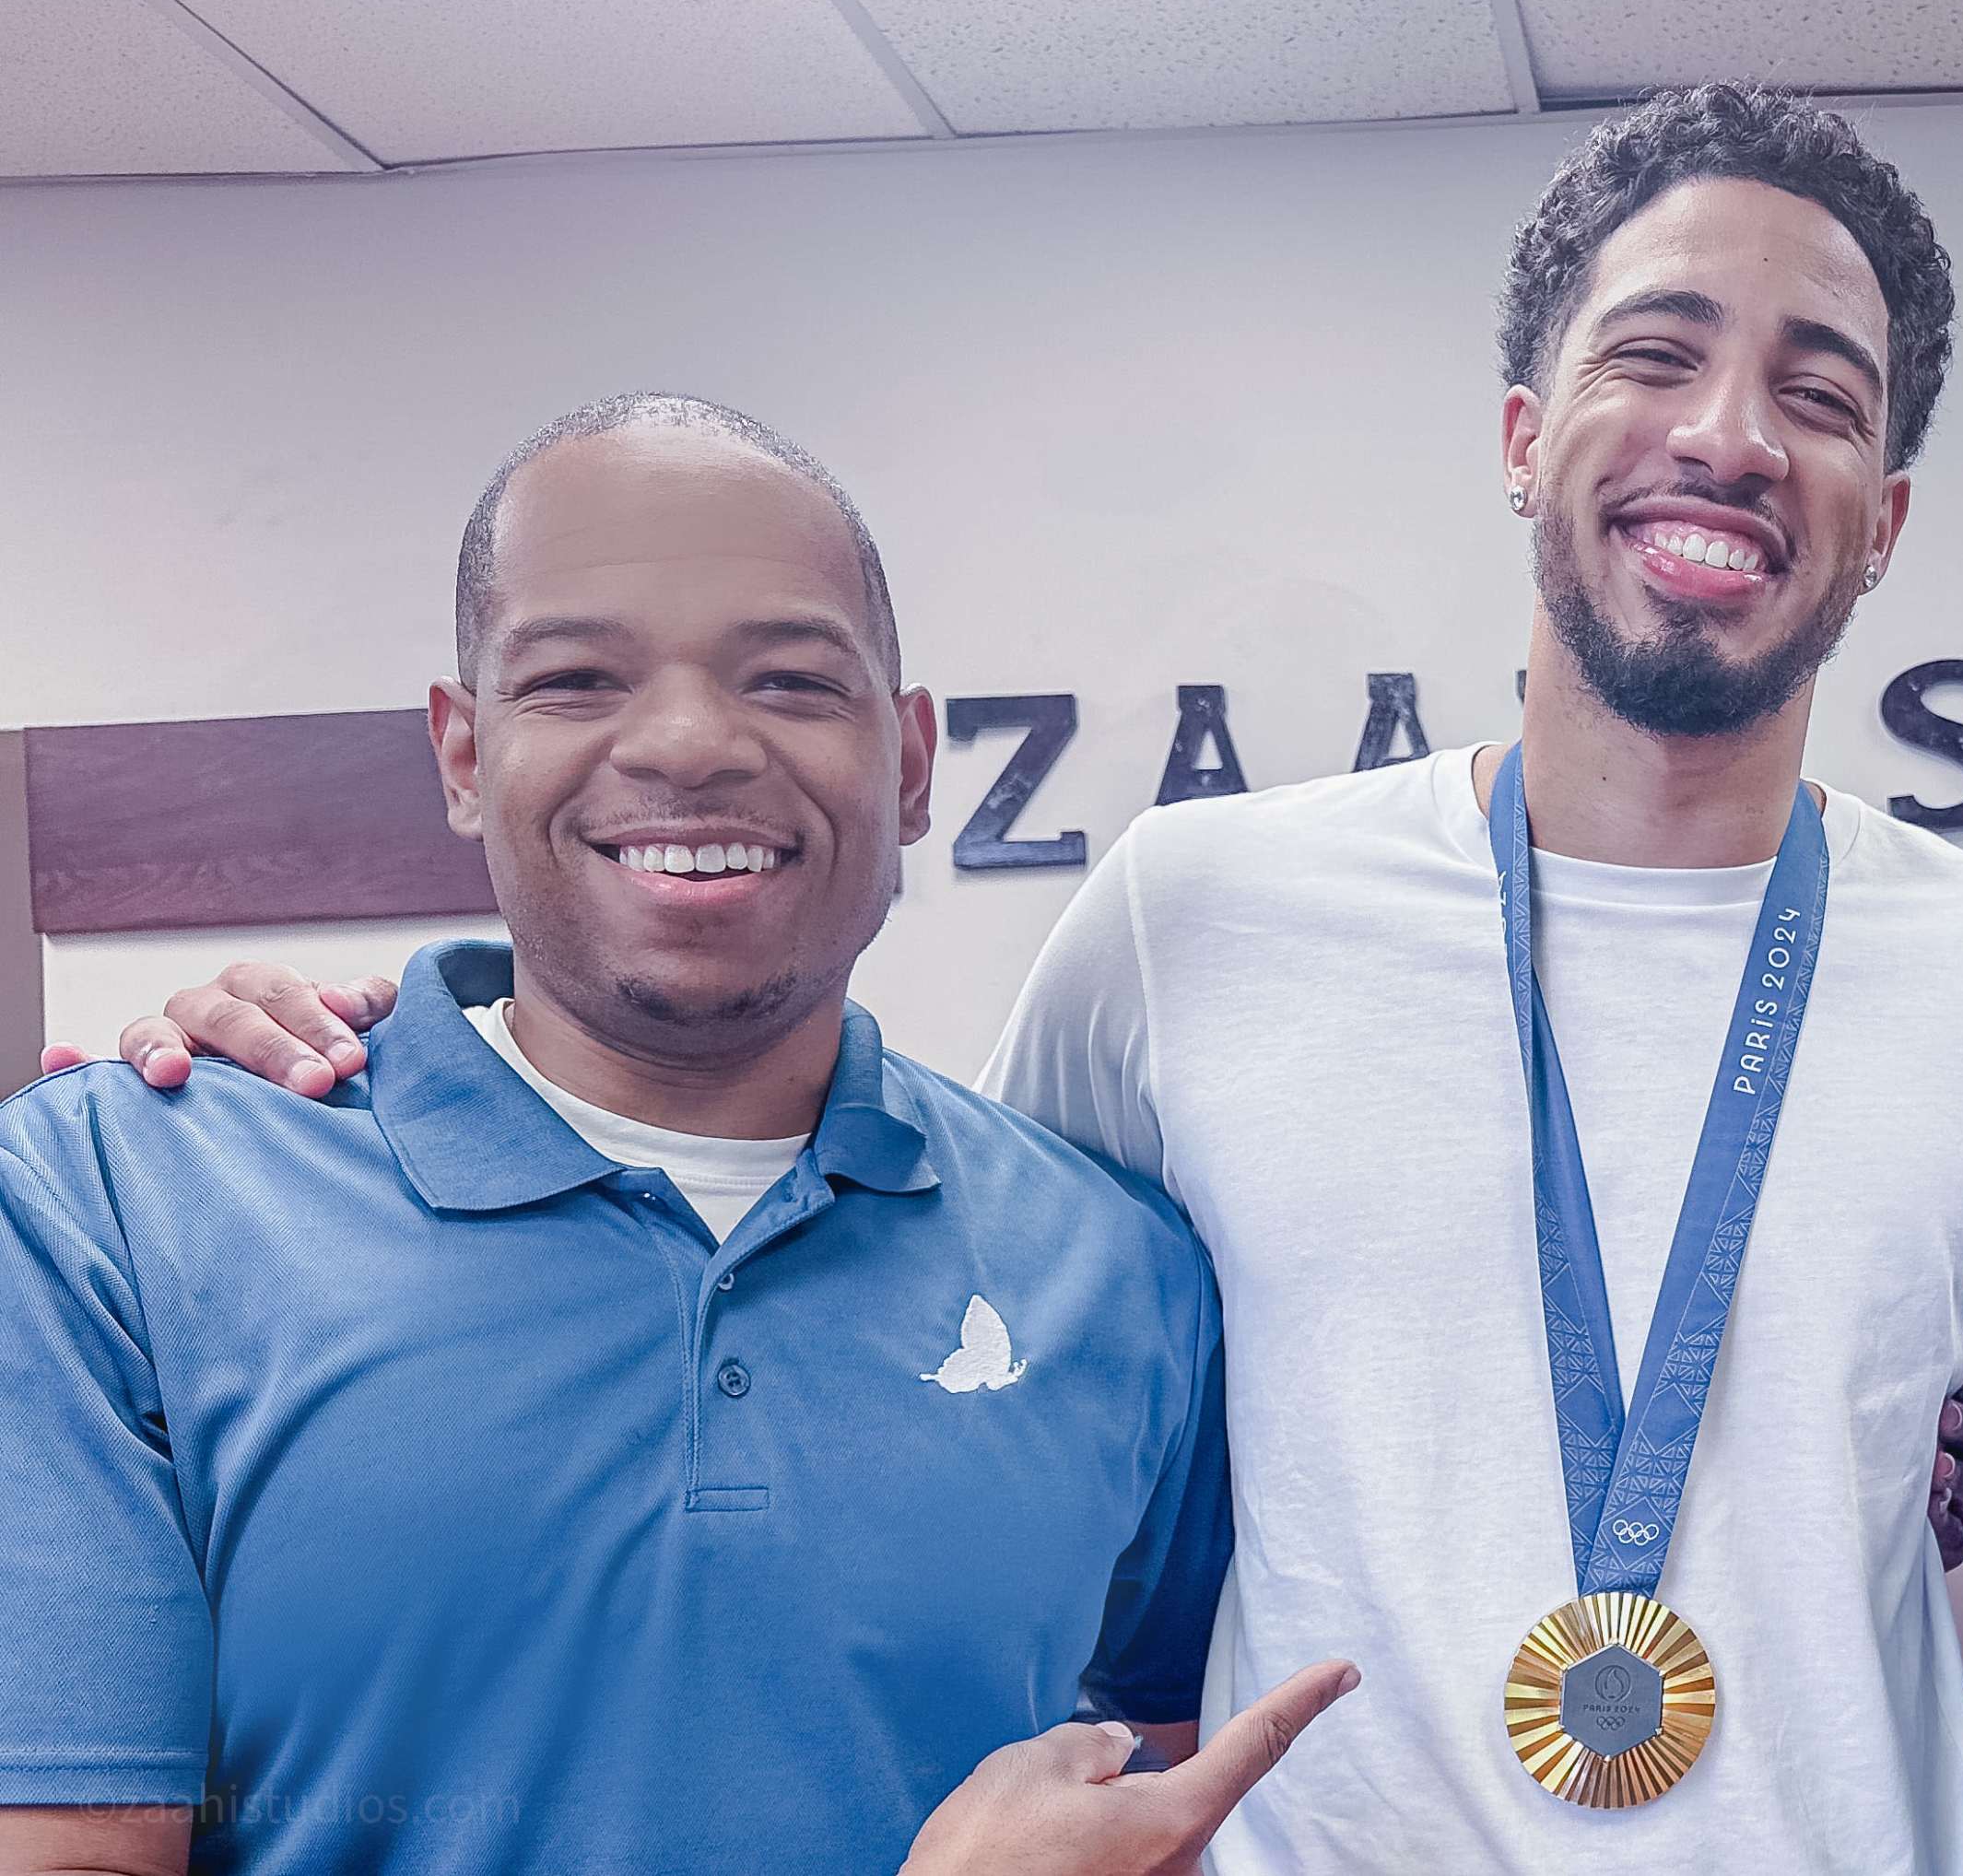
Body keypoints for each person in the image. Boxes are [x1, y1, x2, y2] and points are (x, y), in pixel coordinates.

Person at [76, 105, 1963, 1870]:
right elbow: (904, 1231)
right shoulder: (1187, 919)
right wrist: (369, 1044)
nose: (1731, 429)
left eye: (1822, 391)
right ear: (1521, 435)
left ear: (1884, 517)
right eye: (1657, 353)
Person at [0, 394, 1346, 1876]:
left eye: (792, 680)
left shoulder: (1122, 1271)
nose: (693, 744)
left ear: (908, 764)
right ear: (464, 754)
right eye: (577, 679)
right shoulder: (115, 1203)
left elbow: (1148, 1781)